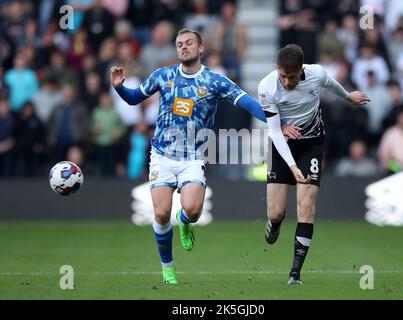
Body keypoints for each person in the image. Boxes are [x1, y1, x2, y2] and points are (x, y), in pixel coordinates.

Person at [110, 28, 266, 284]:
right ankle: (168, 267)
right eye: (179, 43)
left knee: (192, 210)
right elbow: (134, 99)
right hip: (161, 155)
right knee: (161, 215)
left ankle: (185, 222)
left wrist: (275, 121)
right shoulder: (164, 75)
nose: (183, 47)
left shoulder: (215, 81)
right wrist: (119, 88)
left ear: (201, 48)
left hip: (193, 156)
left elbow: (247, 103)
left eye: (189, 43)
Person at [258, 44, 369, 285]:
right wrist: (292, 167)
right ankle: (275, 223)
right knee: (275, 212)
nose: (287, 82)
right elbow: (275, 133)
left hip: (312, 145)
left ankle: (295, 273)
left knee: (306, 206)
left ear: (302, 70)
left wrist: (348, 96)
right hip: (281, 146)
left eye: (293, 76)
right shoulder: (266, 87)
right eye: (283, 76)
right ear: (277, 68)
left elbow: (331, 84)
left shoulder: (316, 73)